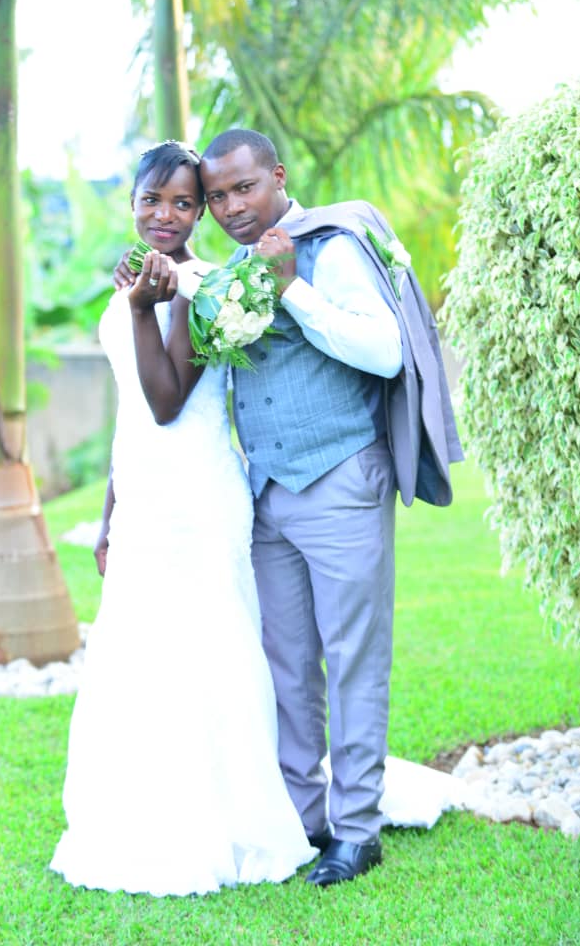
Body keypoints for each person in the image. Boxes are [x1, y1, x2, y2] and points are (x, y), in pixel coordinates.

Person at [194, 128, 463, 887]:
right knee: (287, 668)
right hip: (268, 495)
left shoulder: (332, 248)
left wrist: (292, 290)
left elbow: (384, 351)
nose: (231, 206)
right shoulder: (233, 272)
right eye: (216, 197)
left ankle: (357, 830)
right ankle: (304, 817)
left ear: (278, 177)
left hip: (343, 479)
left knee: (352, 661)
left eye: (244, 187)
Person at [50, 140, 317, 897]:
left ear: (201, 213)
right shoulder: (136, 279)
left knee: (208, 649)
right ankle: (141, 815)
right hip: (143, 495)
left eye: (183, 203)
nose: (164, 216)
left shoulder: (206, 287)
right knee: (141, 653)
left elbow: (167, 400)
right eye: (151, 200)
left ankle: (227, 820)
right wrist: (108, 514)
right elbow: (131, 416)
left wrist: (146, 307)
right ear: (131, 203)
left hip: (197, 496)